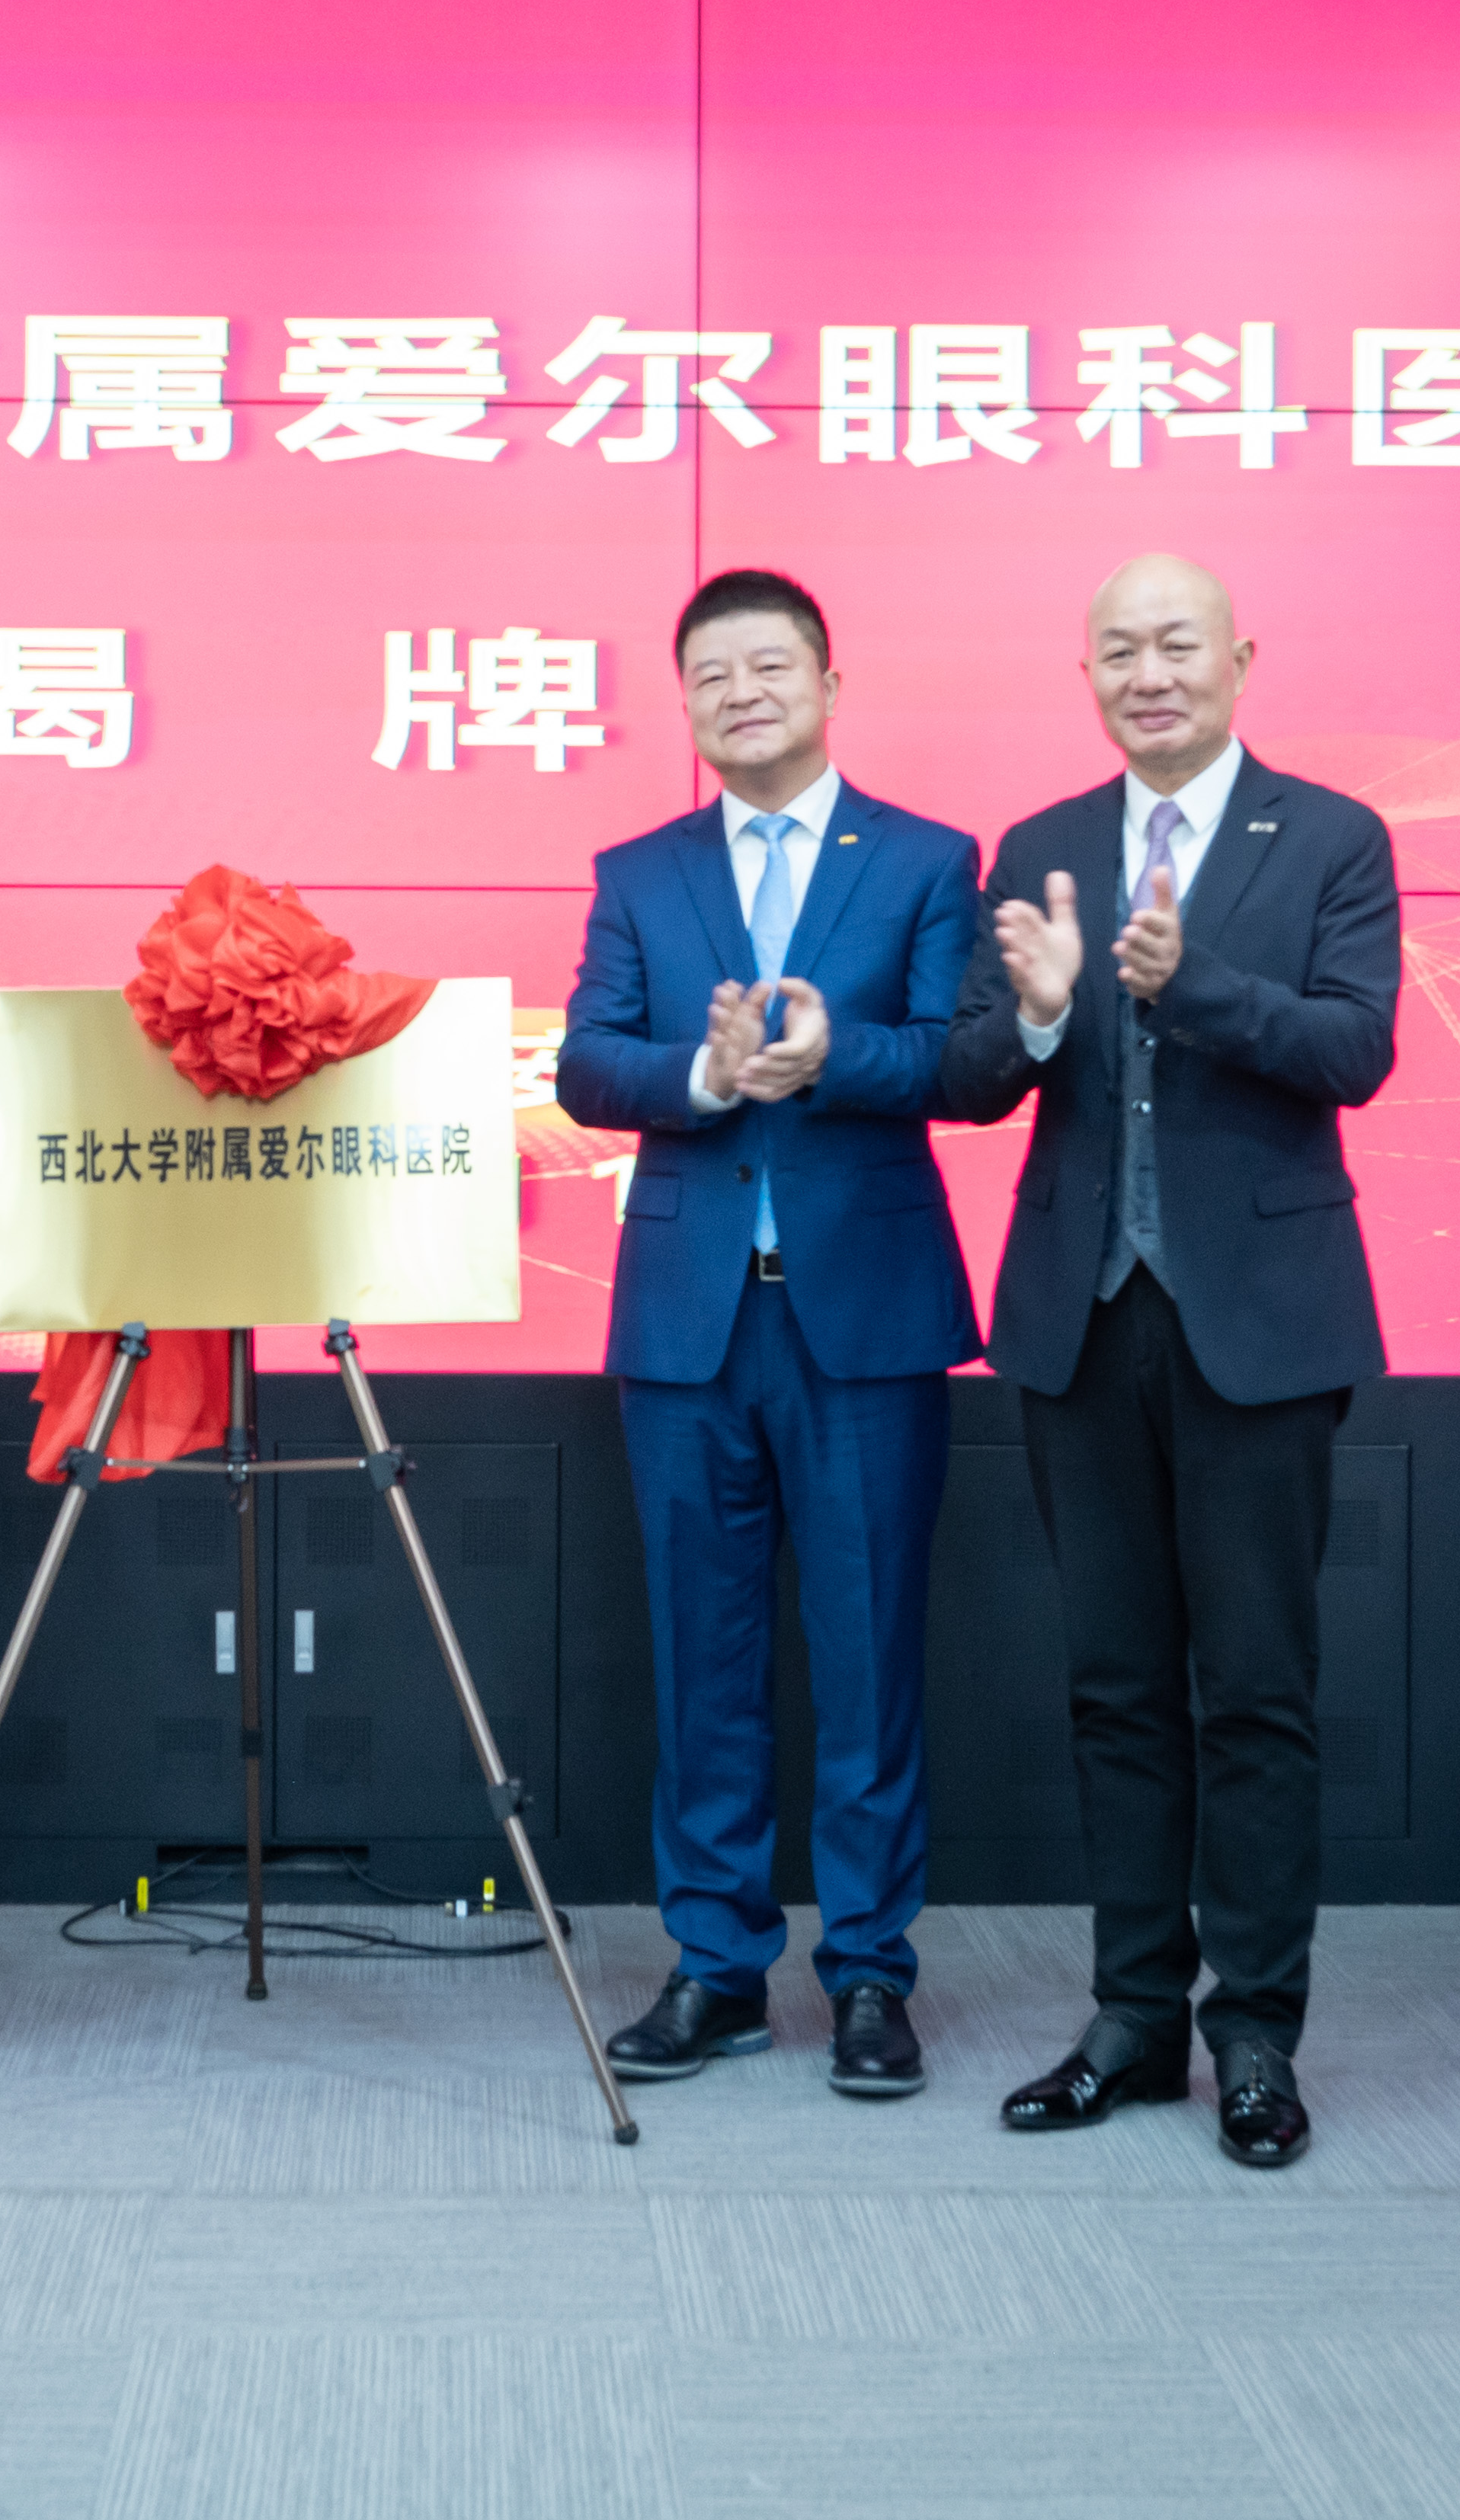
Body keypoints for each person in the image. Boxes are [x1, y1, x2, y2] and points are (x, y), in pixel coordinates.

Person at [934, 550, 1399, 2170]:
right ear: (1088, 675)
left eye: (1176, 644)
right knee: (1117, 1687)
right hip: (1082, 1319)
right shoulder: (1042, 846)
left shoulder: (1330, 835)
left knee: (1255, 1689)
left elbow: (1356, 1045)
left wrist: (1188, 985)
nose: (1150, 673)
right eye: (1119, 649)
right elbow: (976, 1075)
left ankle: (1254, 2033)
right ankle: (1132, 2017)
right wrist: (1040, 1016)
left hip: (1260, 1323)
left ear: (1239, 658)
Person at [557, 568, 986, 2096]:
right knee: (705, 1656)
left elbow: (962, 1061)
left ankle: (869, 1971)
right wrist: (706, 1077)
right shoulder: (640, 871)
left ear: (828, 683)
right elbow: (587, 1065)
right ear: (684, 703)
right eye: (711, 675)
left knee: (869, 1657)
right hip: (689, 1323)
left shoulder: (927, 858)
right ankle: (717, 1965)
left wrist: (827, 1060)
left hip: (864, 1315)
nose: (741, 694)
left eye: (769, 667)